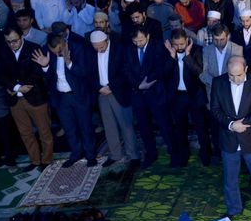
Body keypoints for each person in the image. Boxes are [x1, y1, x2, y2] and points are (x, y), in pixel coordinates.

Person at [211, 56, 251, 221]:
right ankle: (233, 209)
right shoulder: (218, 82)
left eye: (238, 75)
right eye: (231, 75)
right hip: (229, 139)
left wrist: (243, 123)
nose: (234, 79)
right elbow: (214, 109)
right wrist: (231, 125)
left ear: (245, 70)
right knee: (230, 179)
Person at [0, 27, 54, 171]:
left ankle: (46, 160)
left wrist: (21, 86)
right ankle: (34, 160)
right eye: (9, 42)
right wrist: (16, 88)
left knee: (44, 131)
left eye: (14, 41)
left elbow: (37, 73)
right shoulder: (2, 51)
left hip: (35, 97)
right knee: (25, 132)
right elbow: (0, 74)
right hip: (15, 99)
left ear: (21, 37)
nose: (12, 44)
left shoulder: (33, 48)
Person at [35, 34, 97, 167]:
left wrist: (69, 64)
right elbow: (49, 78)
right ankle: (76, 153)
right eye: (54, 52)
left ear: (64, 44)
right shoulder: (48, 51)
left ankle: (90, 155)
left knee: (85, 127)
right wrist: (45, 67)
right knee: (69, 128)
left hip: (79, 95)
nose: (56, 54)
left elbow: (85, 72)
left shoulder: (78, 48)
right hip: (61, 98)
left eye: (58, 51)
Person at [124, 25, 174, 169]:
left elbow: (161, 68)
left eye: (140, 40)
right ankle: (151, 154)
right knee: (144, 127)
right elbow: (126, 69)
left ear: (147, 36)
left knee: (164, 125)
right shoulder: (129, 48)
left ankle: (173, 152)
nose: (138, 44)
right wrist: (139, 85)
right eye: (135, 41)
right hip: (138, 94)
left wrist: (148, 82)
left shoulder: (158, 47)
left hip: (155, 93)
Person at [88, 30, 139, 168]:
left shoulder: (120, 50)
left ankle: (133, 155)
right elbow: (88, 74)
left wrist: (111, 87)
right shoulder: (90, 52)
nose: (99, 49)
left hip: (118, 92)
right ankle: (115, 154)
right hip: (102, 93)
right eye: (96, 47)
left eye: (101, 46)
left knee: (126, 125)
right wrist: (99, 88)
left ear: (107, 40)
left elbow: (125, 72)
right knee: (109, 126)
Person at [164, 30, 207, 167]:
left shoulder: (198, 50)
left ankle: (206, 155)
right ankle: (182, 155)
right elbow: (164, 74)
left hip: (195, 95)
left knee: (201, 128)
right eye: (175, 44)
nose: (179, 47)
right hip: (178, 97)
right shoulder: (167, 52)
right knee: (180, 129)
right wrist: (172, 56)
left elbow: (199, 72)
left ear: (187, 41)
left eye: (182, 44)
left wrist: (187, 56)